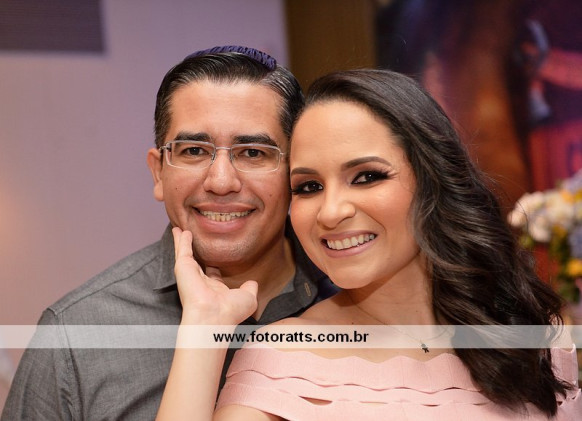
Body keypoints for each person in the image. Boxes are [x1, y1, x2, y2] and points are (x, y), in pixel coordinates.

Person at [156, 69, 582, 420]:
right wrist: (204, 325)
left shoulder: (531, 333)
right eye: (309, 186)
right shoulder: (283, 359)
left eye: (366, 177)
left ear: (431, 181)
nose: (331, 211)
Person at [1, 46, 334, 420]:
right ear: (158, 172)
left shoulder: (356, 297)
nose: (221, 181)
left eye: (253, 152)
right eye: (193, 150)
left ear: (296, 172)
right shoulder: (75, 335)